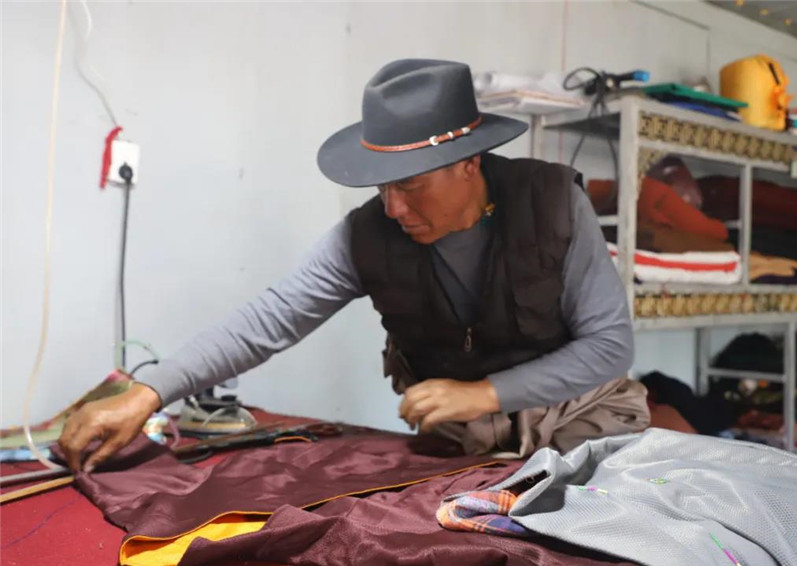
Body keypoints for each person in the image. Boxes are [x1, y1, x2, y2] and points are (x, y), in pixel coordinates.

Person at [59, 59, 648, 472]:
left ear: (468, 164)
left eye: (410, 185)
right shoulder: (366, 235)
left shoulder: (554, 204)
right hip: (463, 441)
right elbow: (269, 320)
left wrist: (487, 393)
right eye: (382, 187)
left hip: (579, 419)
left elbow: (609, 346)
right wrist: (147, 392)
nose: (393, 208)